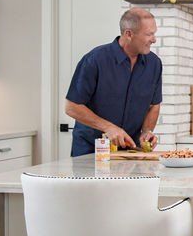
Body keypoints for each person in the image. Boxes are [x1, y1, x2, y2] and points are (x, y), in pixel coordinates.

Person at [65, 8, 163, 157]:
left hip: (130, 153)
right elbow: (72, 107)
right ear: (128, 34)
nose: (154, 39)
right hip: (91, 151)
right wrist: (108, 127)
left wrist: (146, 131)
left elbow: (153, 106)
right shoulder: (95, 60)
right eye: (149, 34)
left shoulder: (154, 64)